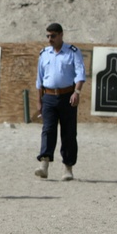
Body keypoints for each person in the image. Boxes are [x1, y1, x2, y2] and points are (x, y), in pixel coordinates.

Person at [35, 22, 86, 181]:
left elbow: (80, 73)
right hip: (49, 96)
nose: (50, 39)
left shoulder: (72, 52)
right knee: (48, 129)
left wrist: (77, 92)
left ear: (61, 35)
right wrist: (39, 101)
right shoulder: (44, 53)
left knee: (69, 132)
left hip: (67, 96)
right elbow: (40, 79)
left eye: (53, 36)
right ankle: (44, 164)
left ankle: (68, 167)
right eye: (48, 36)